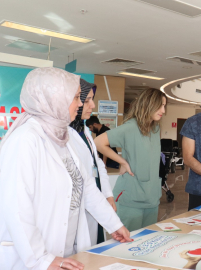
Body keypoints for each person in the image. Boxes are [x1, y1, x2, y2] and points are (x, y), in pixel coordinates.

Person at [0, 67, 131, 270]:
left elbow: (87, 187)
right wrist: (41, 259)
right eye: (77, 97)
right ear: (55, 99)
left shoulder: (65, 138)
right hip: (31, 259)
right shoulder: (25, 140)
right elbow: (16, 207)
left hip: (65, 252)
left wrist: (114, 224)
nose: (80, 104)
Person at [94, 88, 166, 232]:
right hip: (131, 198)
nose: (163, 110)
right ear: (148, 104)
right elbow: (98, 142)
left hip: (151, 198)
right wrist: (122, 161)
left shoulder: (155, 128)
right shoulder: (130, 127)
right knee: (128, 245)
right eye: (160, 106)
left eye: (164, 106)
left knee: (146, 242)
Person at [69, 79, 117, 246]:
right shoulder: (64, 135)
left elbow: (97, 165)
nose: (93, 105)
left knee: (94, 245)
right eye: (86, 100)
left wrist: (108, 194)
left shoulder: (86, 131)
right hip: (79, 207)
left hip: (95, 202)